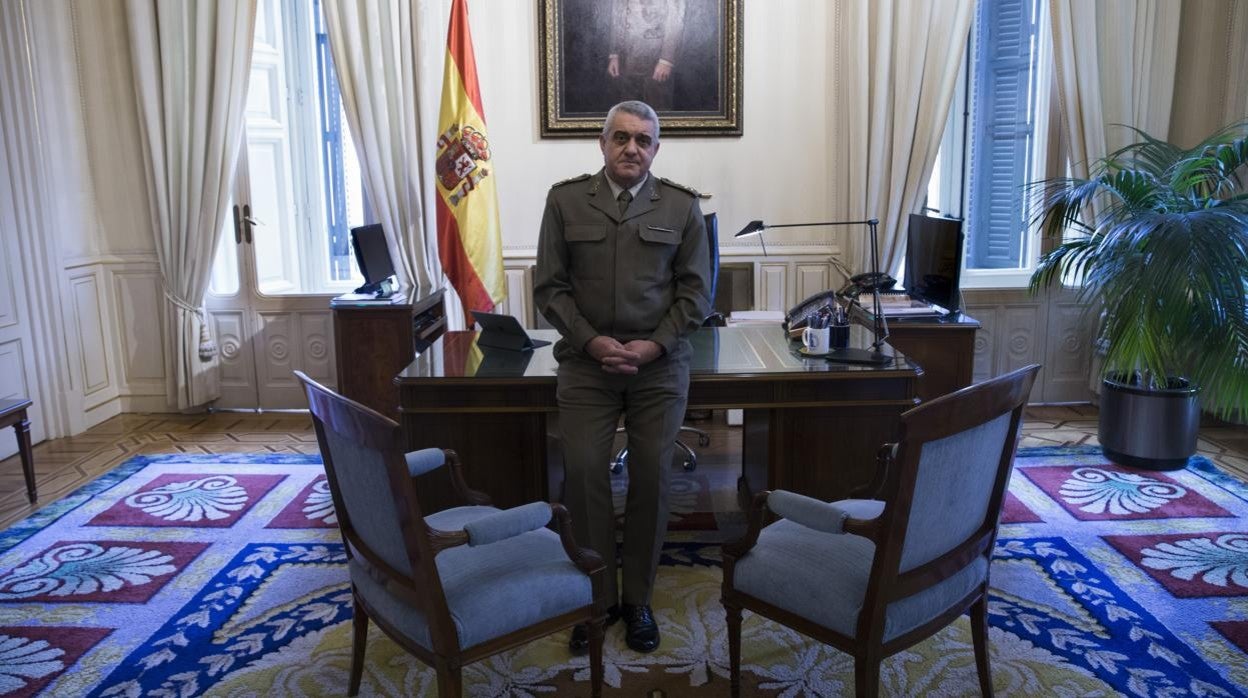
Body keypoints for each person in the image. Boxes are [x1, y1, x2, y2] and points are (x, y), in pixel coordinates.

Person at [534, 100, 710, 654]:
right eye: (621, 138)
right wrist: (593, 341)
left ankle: (637, 601)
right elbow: (550, 288)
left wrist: (652, 344)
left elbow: (697, 294)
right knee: (584, 473)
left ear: (656, 148)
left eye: (643, 140)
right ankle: (598, 599)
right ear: (602, 143)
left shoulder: (681, 207)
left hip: (659, 367)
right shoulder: (564, 201)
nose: (631, 148)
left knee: (653, 477)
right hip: (588, 365)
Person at [607, 0, 688, 111]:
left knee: (658, 110)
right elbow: (617, 11)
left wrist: (666, 60)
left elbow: (675, 18)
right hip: (626, 57)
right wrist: (614, 54)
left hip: (656, 57)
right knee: (628, 112)